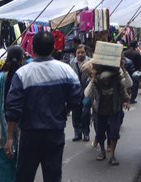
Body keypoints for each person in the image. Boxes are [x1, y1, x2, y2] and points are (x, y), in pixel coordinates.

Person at [5, 31, 83, 182]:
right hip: (55, 133)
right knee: (53, 176)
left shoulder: (22, 74)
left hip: (29, 135)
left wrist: (9, 137)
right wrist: (63, 112)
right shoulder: (67, 71)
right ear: (54, 47)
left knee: (24, 176)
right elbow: (76, 99)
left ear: (32, 48)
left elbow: (13, 108)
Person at [0, 46, 27, 182]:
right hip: (22, 128)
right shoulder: (24, 77)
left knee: (4, 165)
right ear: (22, 59)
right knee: (21, 165)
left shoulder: (0, 78)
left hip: (2, 129)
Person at [87, 63, 132, 165]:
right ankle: (102, 152)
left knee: (114, 133)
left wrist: (124, 70)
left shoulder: (117, 80)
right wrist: (92, 80)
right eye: (104, 79)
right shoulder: (96, 81)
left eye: (108, 79)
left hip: (114, 111)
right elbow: (87, 94)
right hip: (100, 111)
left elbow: (129, 84)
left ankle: (112, 155)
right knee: (100, 133)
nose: (106, 81)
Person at [68, 45, 92, 142]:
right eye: (78, 53)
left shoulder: (90, 62)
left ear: (85, 53)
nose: (80, 54)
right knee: (76, 113)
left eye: (82, 52)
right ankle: (77, 133)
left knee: (86, 113)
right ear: (76, 53)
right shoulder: (72, 62)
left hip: (87, 91)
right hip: (76, 91)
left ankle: (86, 133)